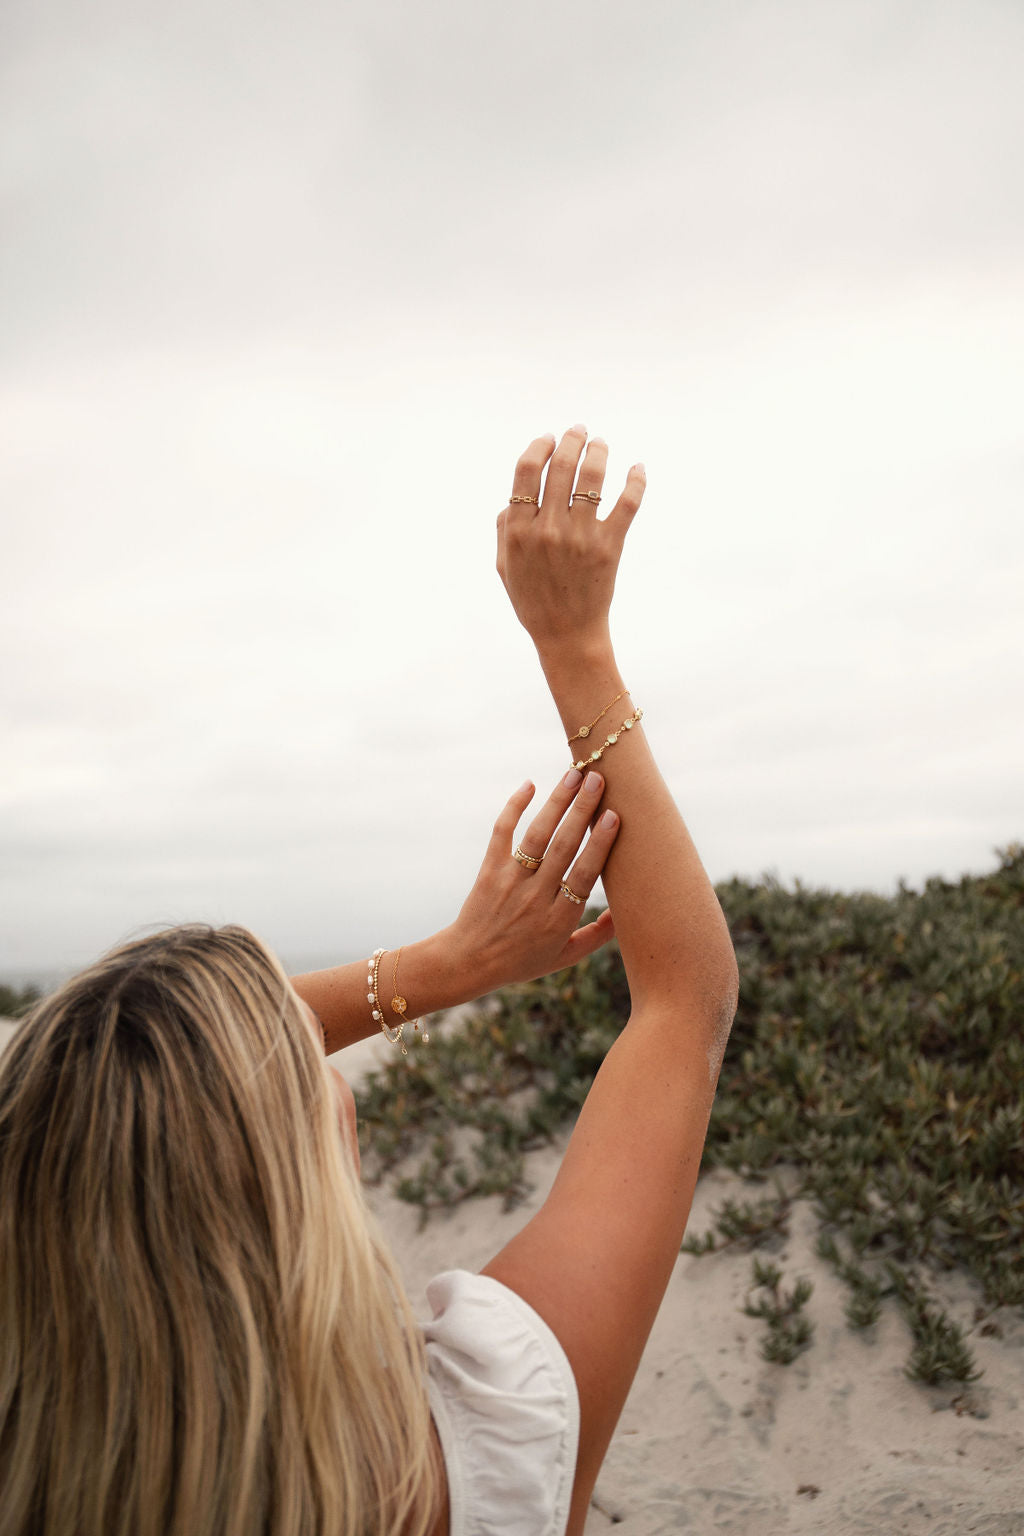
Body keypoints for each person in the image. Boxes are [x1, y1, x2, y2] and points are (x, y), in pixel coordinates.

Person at [0, 427, 739, 1536]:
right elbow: (686, 1003)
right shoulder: (466, 1455)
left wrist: (447, 967)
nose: (326, 1073)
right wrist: (574, 644)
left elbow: (78, 1099)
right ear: (296, 1185)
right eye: (304, 1082)